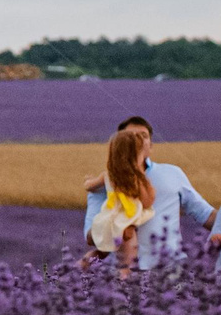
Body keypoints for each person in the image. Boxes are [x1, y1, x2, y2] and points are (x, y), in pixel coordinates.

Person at [81, 115, 214, 270]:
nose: (137, 141)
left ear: (150, 145)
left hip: (169, 270)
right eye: (131, 137)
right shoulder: (107, 181)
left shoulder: (172, 173)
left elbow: (204, 214)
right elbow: (91, 237)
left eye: (143, 136)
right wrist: (114, 227)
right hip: (121, 277)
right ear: (120, 146)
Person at [83, 127, 155, 270]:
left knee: (101, 252)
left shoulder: (108, 175)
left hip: (107, 220)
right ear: (135, 156)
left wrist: (87, 180)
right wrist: (147, 183)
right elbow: (147, 202)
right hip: (125, 225)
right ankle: (123, 280)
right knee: (126, 263)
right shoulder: (136, 179)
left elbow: (90, 186)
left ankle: (78, 267)